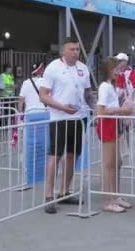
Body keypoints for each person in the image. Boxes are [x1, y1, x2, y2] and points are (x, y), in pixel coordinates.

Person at [39, 37, 95, 214]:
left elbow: (87, 93)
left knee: (72, 156)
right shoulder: (53, 68)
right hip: (59, 118)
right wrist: (63, 107)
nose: (75, 52)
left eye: (78, 49)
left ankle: (65, 191)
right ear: (64, 50)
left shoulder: (83, 69)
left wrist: (96, 108)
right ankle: (49, 195)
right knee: (55, 156)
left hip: (79, 118)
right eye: (72, 49)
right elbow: (43, 95)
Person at [96, 57, 135, 213]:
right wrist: (122, 110)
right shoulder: (105, 87)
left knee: (116, 163)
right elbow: (101, 111)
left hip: (113, 124)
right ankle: (107, 200)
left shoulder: (110, 87)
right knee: (109, 164)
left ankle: (115, 196)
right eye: (116, 70)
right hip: (107, 124)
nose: (118, 72)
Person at [17, 62, 49, 185]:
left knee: (29, 142)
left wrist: (19, 115)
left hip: (30, 115)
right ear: (41, 71)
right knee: (44, 142)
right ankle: (43, 167)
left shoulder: (26, 83)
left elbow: (21, 100)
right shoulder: (45, 82)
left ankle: (27, 166)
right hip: (44, 114)